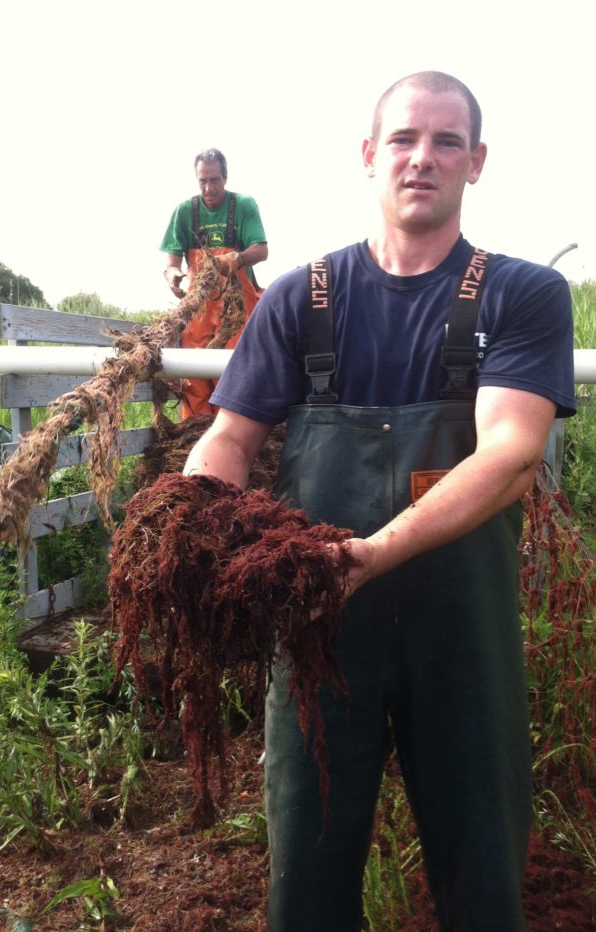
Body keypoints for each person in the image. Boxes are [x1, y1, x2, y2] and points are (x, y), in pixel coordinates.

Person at [183, 72, 576, 930]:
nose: (421, 159)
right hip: (321, 635)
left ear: (476, 162)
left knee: (481, 876)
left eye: (445, 142)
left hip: (460, 638)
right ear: (370, 155)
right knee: (307, 876)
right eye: (403, 139)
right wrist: (190, 518)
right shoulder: (301, 298)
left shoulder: (520, 295)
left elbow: (510, 455)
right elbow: (230, 439)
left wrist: (363, 557)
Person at [160, 148, 268, 419]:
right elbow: (171, 263)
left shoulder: (243, 205)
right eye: (203, 181)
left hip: (237, 310)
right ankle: (193, 443)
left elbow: (261, 250)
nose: (209, 188)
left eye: (215, 180)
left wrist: (237, 258)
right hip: (198, 312)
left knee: (235, 376)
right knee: (194, 378)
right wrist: (173, 275)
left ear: (225, 178)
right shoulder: (185, 212)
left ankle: (233, 439)